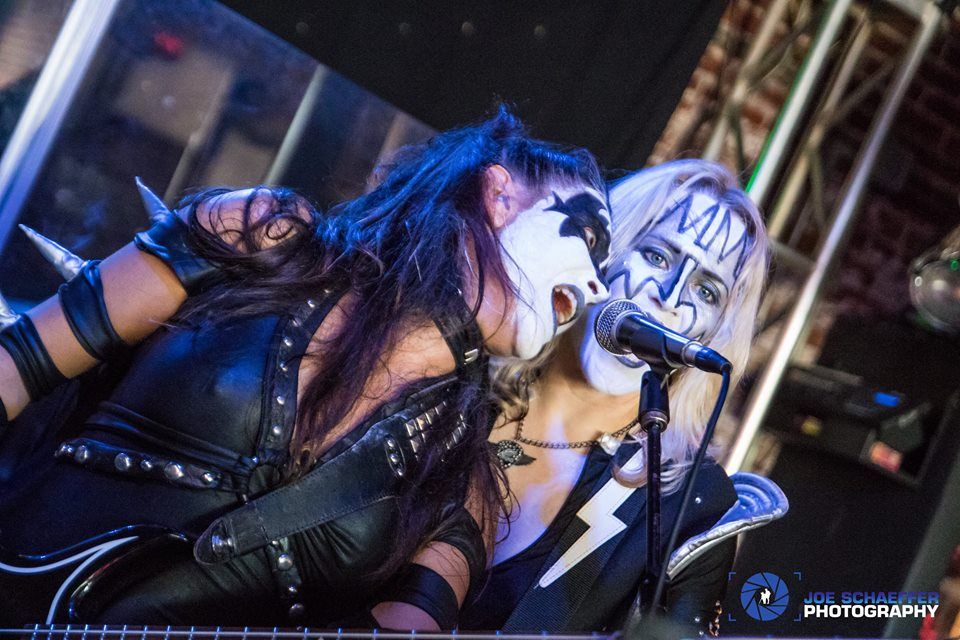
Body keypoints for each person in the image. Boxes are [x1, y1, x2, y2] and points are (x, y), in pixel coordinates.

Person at [0, 108, 612, 627]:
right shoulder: (264, 236)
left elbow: (409, 626)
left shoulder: (461, 477)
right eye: (585, 237)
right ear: (499, 195)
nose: (595, 286)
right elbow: (20, 363)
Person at [459, 159, 773, 635]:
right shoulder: (461, 379)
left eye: (707, 292)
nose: (668, 297)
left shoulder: (689, 506)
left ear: (714, 335)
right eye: (658, 256)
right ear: (599, 249)